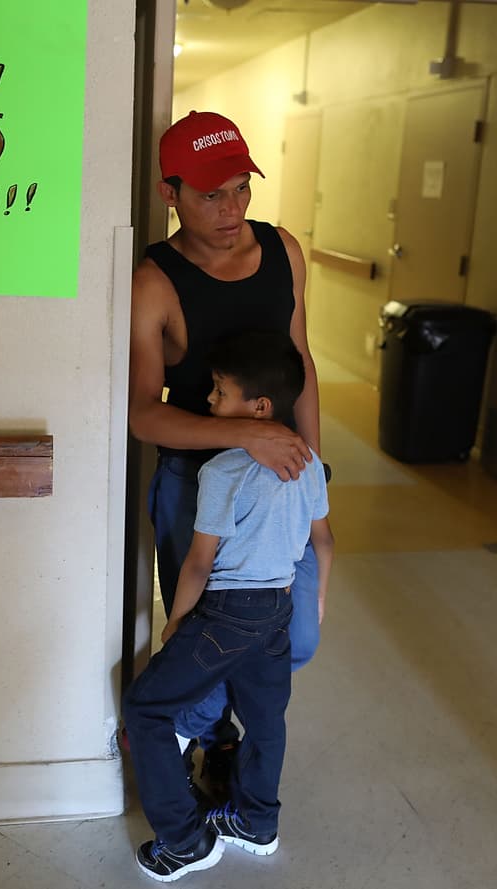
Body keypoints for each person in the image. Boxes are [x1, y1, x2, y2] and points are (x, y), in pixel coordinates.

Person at [128, 110, 326, 794]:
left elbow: (301, 360)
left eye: (242, 188)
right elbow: (142, 413)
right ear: (171, 193)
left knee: (296, 635)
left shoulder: (283, 250)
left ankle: (202, 723)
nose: (231, 209)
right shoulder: (154, 281)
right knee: (204, 633)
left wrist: (313, 472)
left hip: (285, 479)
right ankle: (217, 745)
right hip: (197, 481)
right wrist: (246, 434)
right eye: (211, 194)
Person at [123, 332, 335, 881]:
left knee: (145, 708)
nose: (210, 400)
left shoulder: (222, 471)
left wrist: (176, 624)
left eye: (219, 391)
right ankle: (257, 823)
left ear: (259, 407)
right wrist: (316, 597)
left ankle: (184, 841)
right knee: (266, 720)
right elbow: (324, 540)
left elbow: (198, 563)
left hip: (225, 612)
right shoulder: (310, 464)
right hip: (277, 612)